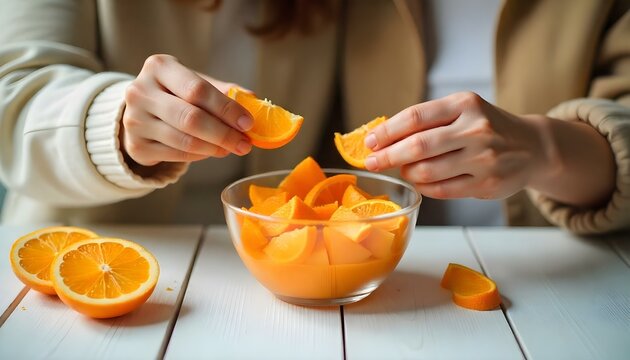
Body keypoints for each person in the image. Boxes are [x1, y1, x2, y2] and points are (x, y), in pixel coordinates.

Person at [0, 0, 628, 235]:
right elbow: (14, 91)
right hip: (89, 263)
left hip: (281, 280)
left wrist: (551, 147)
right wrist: (116, 124)